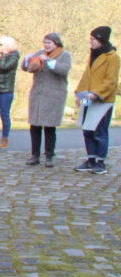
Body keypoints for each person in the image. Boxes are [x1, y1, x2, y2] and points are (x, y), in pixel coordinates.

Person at [74, 26, 119, 174]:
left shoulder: (112, 57)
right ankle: (90, 159)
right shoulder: (93, 55)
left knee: (99, 132)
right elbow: (87, 75)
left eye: (93, 39)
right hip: (88, 98)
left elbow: (111, 81)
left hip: (102, 101)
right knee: (87, 130)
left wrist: (97, 93)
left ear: (101, 40)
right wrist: (79, 93)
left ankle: (100, 161)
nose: (91, 42)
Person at [22, 33, 71, 167]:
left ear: (56, 43)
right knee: (35, 125)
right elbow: (27, 68)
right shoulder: (39, 53)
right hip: (38, 94)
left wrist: (49, 62)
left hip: (54, 95)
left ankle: (49, 155)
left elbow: (64, 70)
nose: (46, 45)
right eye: (45, 43)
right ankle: (34, 155)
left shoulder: (64, 55)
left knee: (49, 127)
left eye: (49, 43)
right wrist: (27, 61)